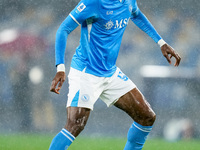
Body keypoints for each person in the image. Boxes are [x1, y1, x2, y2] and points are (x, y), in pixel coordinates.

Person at [49, 0, 181, 149]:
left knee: (146, 116)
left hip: (110, 72)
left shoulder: (129, 1)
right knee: (75, 125)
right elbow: (63, 29)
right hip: (86, 72)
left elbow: (136, 15)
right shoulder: (94, 3)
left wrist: (161, 42)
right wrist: (60, 68)